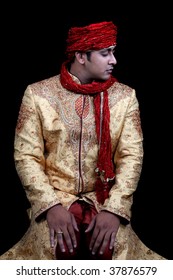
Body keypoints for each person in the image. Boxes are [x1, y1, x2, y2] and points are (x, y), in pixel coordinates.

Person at [0, 21, 165, 260]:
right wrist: (50, 206)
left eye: (113, 52)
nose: (114, 60)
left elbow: (132, 157)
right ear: (80, 56)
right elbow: (27, 155)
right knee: (53, 248)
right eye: (105, 53)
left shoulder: (125, 97)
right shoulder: (38, 94)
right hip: (56, 197)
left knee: (113, 248)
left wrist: (114, 210)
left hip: (104, 198)